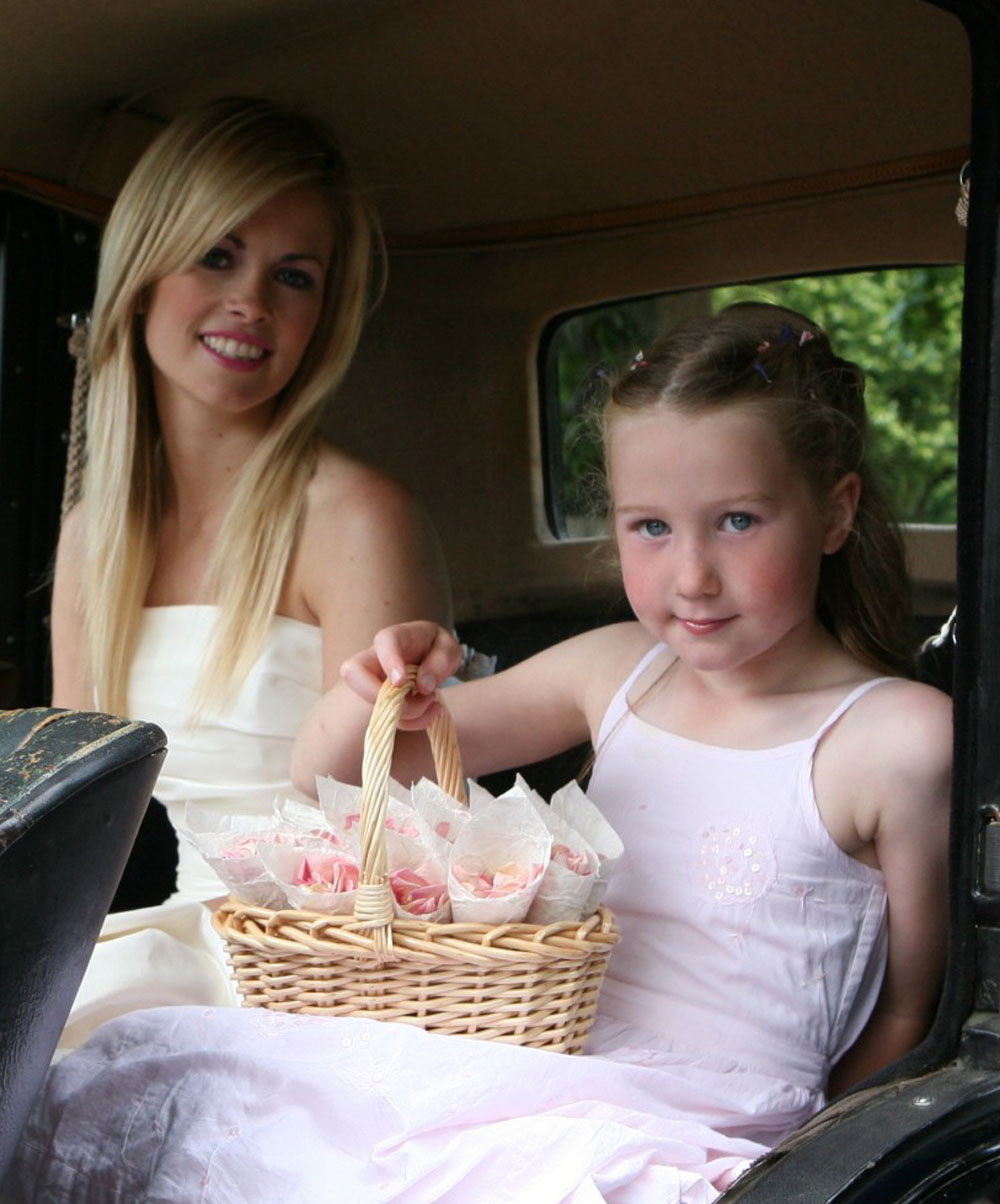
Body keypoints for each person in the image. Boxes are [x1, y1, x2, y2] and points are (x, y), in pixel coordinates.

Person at [10, 303, 951, 1204]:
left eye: (739, 521)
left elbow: (910, 1018)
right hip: (538, 1072)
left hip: (711, 1119)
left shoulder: (897, 739)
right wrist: (383, 684)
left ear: (835, 513)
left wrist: (805, 1169)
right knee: (163, 1069)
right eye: (650, 528)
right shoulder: (621, 670)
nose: (692, 576)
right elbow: (329, 774)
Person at [47, 95, 452, 1050]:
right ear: (144, 274)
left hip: (299, 969)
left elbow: (401, 842)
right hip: (117, 951)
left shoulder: (357, 520)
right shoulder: (88, 536)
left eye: (294, 277)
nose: (252, 304)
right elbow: (70, 827)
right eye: (218, 256)